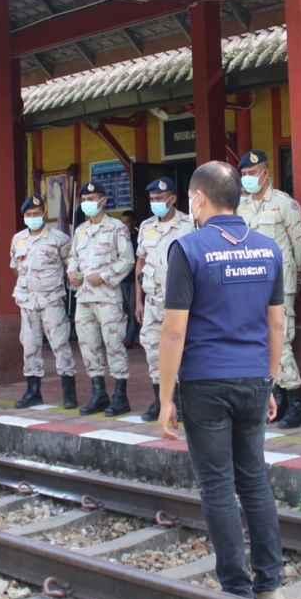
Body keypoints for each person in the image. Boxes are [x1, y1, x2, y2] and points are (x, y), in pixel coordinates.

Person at [157, 160, 285, 599]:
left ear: (197, 199)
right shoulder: (269, 249)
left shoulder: (187, 249)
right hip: (253, 377)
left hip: (205, 381)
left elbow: (174, 331)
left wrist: (165, 396)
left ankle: (236, 585)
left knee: (216, 484)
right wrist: (270, 380)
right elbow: (277, 325)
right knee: (253, 478)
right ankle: (269, 579)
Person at [237, 149, 301, 428]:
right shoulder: (240, 206)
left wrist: (296, 282)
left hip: (279, 284)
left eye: (252, 173)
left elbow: (300, 247)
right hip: (248, 284)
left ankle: (296, 401)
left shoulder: (284, 204)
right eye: (243, 175)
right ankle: (276, 399)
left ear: (266, 173)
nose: (248, 179)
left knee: (281, 341)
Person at [68, 182, 136, 415]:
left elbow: (127, 260)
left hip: (107, 297)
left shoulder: (116, 227)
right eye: (84, 198)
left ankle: (120, 395)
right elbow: (73, 257)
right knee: (88, 345)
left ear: (103, 200)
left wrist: (105, 276)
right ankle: (99, 393)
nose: (88, 202)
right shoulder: (80, 231)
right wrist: (71, 273)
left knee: (114, 344)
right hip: (84, 297)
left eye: (92, 197)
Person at [135, 177, 194, 421]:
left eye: (160, 199)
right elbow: (140, 263)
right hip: (152, 302)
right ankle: (161, 400)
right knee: (152, 349)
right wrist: (137, 302)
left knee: (182, 351)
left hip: (179, 303)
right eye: (152, 200)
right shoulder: (146, 226)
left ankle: (181, 401)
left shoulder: (189, 225)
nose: (156, 203)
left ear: (172, 198)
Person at [10, 196, 76, 408]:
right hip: (27, 301)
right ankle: (33, 391)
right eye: (29, 215)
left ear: (44, 213)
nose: (33, 217)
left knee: (60, 344)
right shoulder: (18, 239)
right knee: (29, 346)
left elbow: (71, 266)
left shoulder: (59, 238)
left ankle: (69, 393)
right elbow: (15, 268)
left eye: (37, 214)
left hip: (52, 300)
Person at [120, 210, 141, 349]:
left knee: (134, 309)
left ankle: (129, 339)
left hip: (134, 280)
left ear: (133, 223)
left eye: (127, 222)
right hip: (122, 279)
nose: (124, 225)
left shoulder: (138, 237)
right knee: (125, 310)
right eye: (123, 222)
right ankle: (130, 336)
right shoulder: (120, 237)